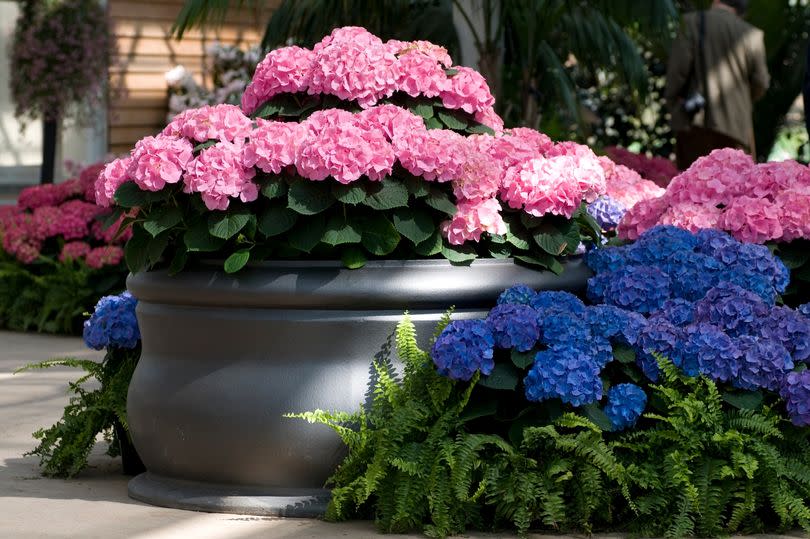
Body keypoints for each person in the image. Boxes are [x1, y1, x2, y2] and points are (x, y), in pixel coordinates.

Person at [665, 0, 770, 169]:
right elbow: (761, 82)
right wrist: (742, 102)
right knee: (734, 186)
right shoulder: (752, 34)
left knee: (692, 186)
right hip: (736, 126)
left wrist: (672, 104)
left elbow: (678, 71)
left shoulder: (691, 22)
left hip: (696, 120)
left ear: (715, 1)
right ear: (741, 10)